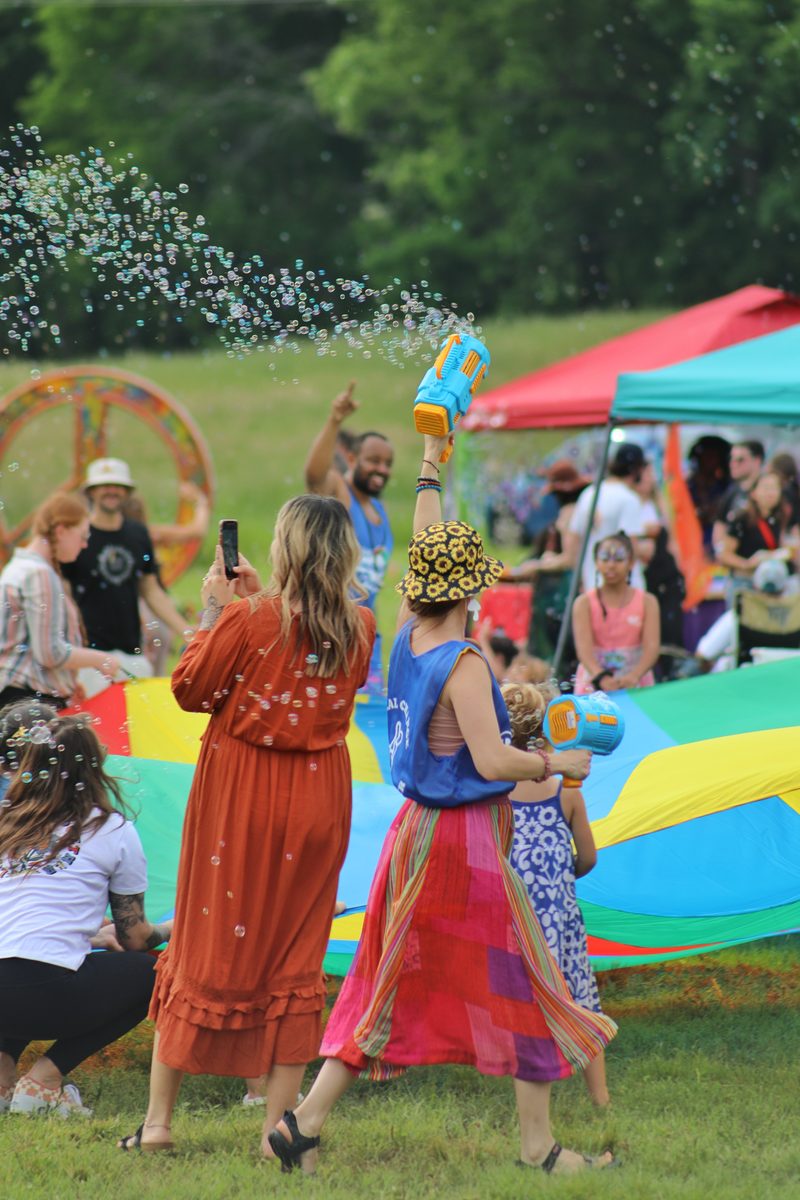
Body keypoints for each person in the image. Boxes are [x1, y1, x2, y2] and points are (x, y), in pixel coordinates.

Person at [266, 429, 617, 1177]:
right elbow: (492, 760)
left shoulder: (407, 635)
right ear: (469, 592)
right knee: (521, 975)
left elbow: (427, 545)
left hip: (417, 832)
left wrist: (430, 466)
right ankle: (539, 1149)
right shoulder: (464, 663)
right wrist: (556, 762)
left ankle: (302, 1125)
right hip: (461, 841)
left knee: (387, 978)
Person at [118, 495, 375, 1154]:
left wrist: (213, 610)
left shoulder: (249, 617)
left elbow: (189, 689)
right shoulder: (361, 624)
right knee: (295, 956)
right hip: (319, 798)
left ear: (286, 547)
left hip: (242, 795)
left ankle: (157, 1124)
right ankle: (275, 1130)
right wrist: (250, 606)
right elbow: (300, 663)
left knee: (205, 939)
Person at [0, 714, 170, 1116]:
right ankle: (44, 1080)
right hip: (46, 992)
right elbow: (134, 937)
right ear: (93, 768)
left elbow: (19, 924)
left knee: (16, 971)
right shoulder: (111, 828)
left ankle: (2, 1079)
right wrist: (170, 929)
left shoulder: (7, 823)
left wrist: (91, 937)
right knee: (155, 974)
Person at [502, 680, 609, 1106]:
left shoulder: (497, 795)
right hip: (559, 918)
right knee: (581, 999)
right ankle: (600, 1096)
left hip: (516, 921)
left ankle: (527, 1084)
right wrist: (563, 873)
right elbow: (589, 857)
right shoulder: (566, 791)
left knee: (520, 1005)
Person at [62, 458, 191, 692]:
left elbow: (150, 589)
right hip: (88, 657)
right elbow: (65, 592)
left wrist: (187, 632)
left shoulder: (138, 534)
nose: (111, 491)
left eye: (117, 486)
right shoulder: (78, 535)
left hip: (132, 653)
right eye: (104, 486)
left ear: (127, 492)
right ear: (91, 491)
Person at [304, 383, 394, 688]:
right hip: (331, 635)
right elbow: (315, 476)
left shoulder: (380, 509)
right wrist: (335, 420)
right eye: (373, 461)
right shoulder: (340, 494)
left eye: (387, 464)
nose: (382, 469)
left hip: (367, 638)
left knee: (370, 716)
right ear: (352, 460)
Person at [0, 491, 121, 709]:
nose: (84, 545)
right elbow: (50, 652)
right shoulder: (39, 574)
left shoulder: (18, 567)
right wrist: (100, 659)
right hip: (28, 698)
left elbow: (29, 645)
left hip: (16, 696)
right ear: (61, 530)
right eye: (82, 536)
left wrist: (65, 682)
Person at [572, 532, 660, 695]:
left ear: (631, 563)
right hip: (594, 681)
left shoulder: (647, 602)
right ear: (596, 562)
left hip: (636, 680)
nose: (611, 565)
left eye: (619, 560)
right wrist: (601, 677)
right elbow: (584, 650)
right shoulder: (584, 603)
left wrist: (634, 676)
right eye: (605, 559)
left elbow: (652, 648)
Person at [565, 443, 653, 597]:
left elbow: (572, 544)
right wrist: (646, 549)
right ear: (637, 470)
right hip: (624, 593)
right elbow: (630, 546)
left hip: (592, 586)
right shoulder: (629, 499)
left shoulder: (588, 494)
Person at [717, 470, 798, 589]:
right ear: (754, 493)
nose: (771, 493)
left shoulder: (779, 516)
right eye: (766, 488)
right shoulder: (742, 518)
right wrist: (747, 564)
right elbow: (724, 555)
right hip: (745, 584)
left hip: (770, 584)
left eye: (774, 488)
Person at [711, 439, 765, 553]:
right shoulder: (731, 493)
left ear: (757, 460)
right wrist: (722, 554)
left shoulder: (771, 490)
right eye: (731, 459)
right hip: (735, 561)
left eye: (740, 460)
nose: (733, 464)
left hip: (768, 560)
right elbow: (719, 526)